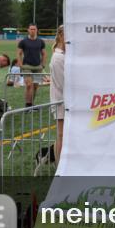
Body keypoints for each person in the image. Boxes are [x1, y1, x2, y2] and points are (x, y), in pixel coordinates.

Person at [17, 24, 47, 108]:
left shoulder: (41, 41)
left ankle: (32, 104)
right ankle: (27, 104)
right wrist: (20, 64)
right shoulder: (23, 41)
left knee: (36, 86)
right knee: (29, 85)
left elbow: (44, 53)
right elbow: (19, 53)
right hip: (27, 66)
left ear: (37, 30)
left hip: (38, 67)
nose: (32, 31)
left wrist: (43, 64)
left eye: (34, 29)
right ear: (28, 30)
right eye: (31, 29)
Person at [50, 25, 66, 161]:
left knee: (63, 135)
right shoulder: (58, 58)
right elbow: (63, 84)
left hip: (63, 100)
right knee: (61, 135)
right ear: (61, 36)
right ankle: (60, 167)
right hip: (61, 100)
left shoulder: (62, 55)